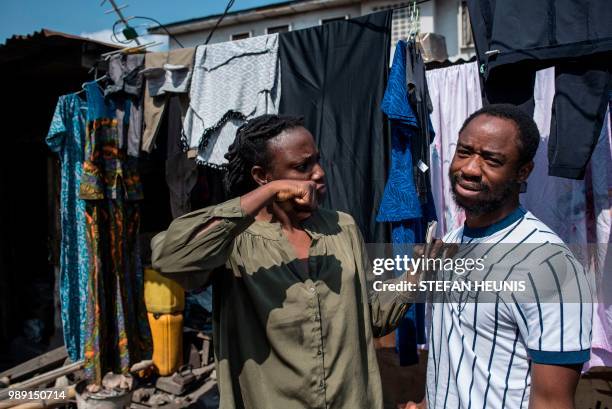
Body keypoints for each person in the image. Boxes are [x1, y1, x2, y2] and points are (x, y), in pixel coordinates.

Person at [151, 114, 411, 409]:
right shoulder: (234, 242)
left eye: (317, 160)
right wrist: (268, 194)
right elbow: (170, 257)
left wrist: (414, 280)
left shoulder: (343, 228)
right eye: (302, 167)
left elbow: (372, 315)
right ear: (262, 175)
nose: (319, 173)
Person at [407, 104, 593, 409]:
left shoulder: (552, 267)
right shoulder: (450, 245)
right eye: (464, 151)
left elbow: (552, 401)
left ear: (523, 171)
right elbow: (455, 356)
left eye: (492, 160)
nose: (469, 169)